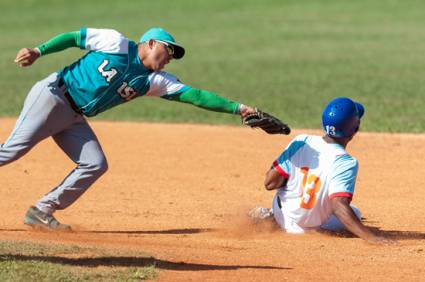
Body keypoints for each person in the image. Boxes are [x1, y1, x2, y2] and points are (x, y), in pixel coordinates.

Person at [6, 27, 257, 230]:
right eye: (168, 50)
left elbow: (197, 95)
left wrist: (239, 108)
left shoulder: (155, 81)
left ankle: (41, 211)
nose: (170, 58)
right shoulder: (115, 42)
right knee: (11, 152)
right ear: (150, 43)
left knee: (95, 164)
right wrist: (39, 51)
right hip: (53, 96)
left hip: (74, 118)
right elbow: (74, 37)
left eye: (173, 55)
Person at [249, 97, 395, 244]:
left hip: (282, 216)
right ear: (355, 130)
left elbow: (270, 183)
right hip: (308, 229)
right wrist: (372, 237)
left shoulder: (302, 141)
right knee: (354, 213)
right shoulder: (345, 162)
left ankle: (270, 217)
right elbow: (338, 206)